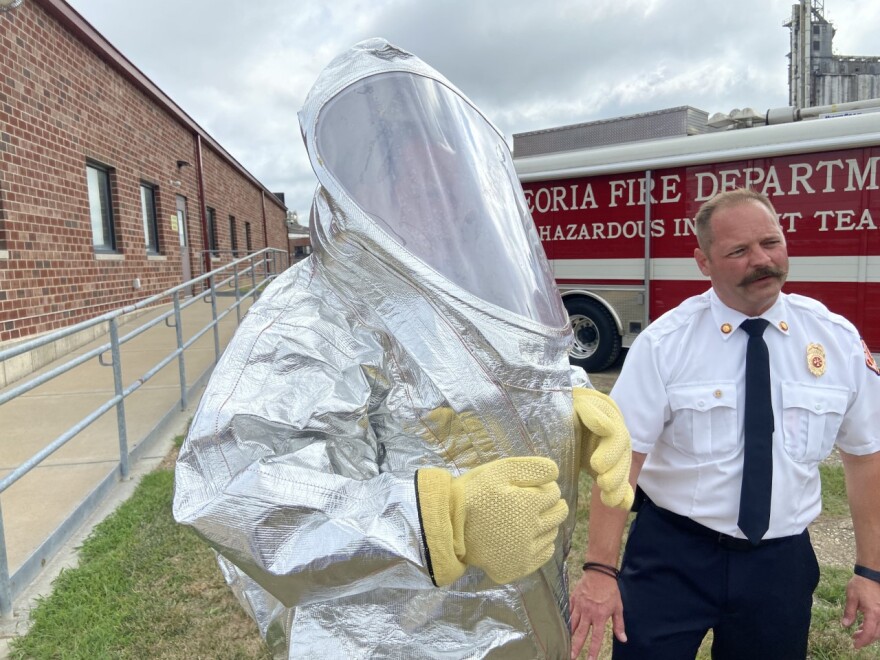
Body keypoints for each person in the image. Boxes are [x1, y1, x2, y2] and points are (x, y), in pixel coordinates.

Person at [173, 38, 633, 659]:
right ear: (363, 188)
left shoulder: (464, 287)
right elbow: (230, 490)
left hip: (525, 626)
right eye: (422, 181)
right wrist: (436, 521)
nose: (449, 203)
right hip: (394, 640)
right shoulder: (309, 313)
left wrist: (571, 414)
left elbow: (504, 382)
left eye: (455, 184)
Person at [569, 188, 880, 659]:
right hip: (673, 555)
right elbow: (619, 461)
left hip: (779, 563)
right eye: (738, 251)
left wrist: (870, 570)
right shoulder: (666, 344)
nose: (762, 260)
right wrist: (599, 570)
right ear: (703, 262)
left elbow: (865, 456)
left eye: (771, 243)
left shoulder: (834, 340)